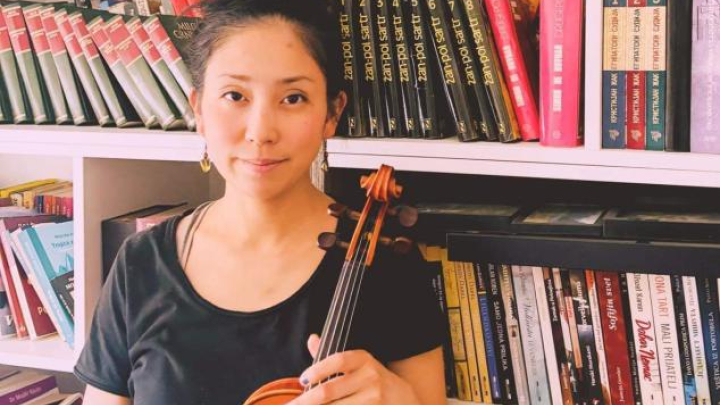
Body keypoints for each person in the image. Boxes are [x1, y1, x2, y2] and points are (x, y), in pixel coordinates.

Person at [73, 0, 447, 403]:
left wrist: (398, 398)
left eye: (293, 98)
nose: (261, 131)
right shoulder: (140, 264)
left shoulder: (388, 262)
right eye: (235, 95)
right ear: (198, 110)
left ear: (332, 113)